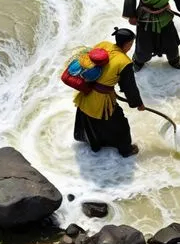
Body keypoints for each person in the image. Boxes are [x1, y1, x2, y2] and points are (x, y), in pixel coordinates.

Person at [61, 27, 145, 157]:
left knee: (91, 120)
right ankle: (126, 150)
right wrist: (138, 103)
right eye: (131, 44)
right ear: (128, 44)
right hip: (102, 100)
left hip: (86, 93)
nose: (130, 47)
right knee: (120, 124)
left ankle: (95, 146)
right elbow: (129, 87)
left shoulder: (104, 45)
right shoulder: (125, 62)